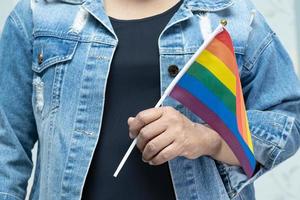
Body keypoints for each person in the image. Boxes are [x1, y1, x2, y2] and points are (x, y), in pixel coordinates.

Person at [0, 0, 299, 199]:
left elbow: (288, 120)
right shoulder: (38, 15)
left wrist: (208, 138)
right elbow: (6, 146)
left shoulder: (233, 20)